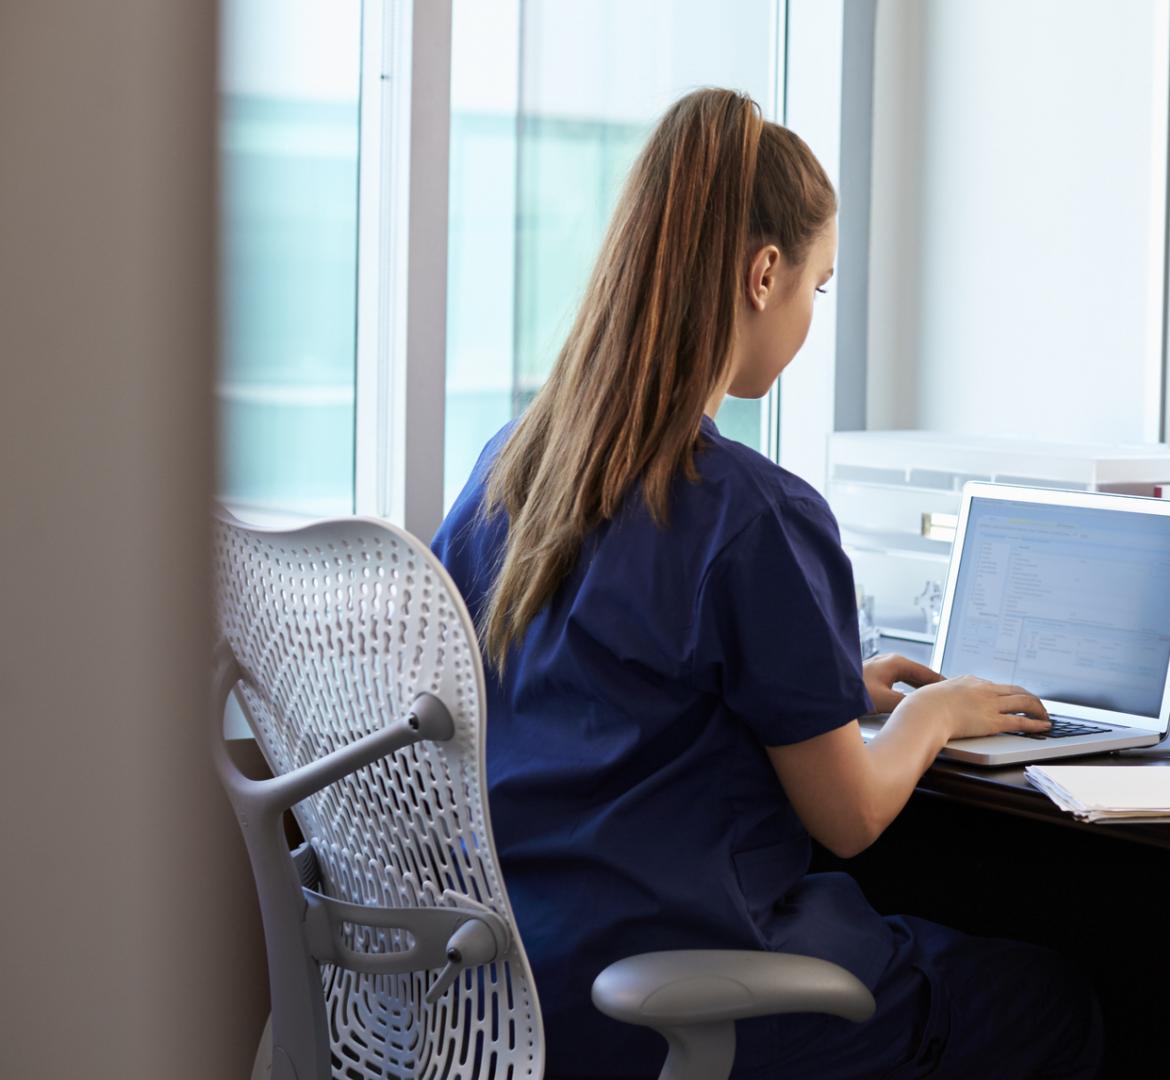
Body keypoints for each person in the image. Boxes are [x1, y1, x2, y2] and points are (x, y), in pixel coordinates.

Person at [431, 88, 1103, 1079]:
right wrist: (937, 714)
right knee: (1053, 1002)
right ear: (763, 274)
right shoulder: (753, 514)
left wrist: (835, 691)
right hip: (670, 1001)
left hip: (507, 993)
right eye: (818, 288)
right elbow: (849, 816)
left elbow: (595, 694)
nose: (809, 314)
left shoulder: (510, 467)